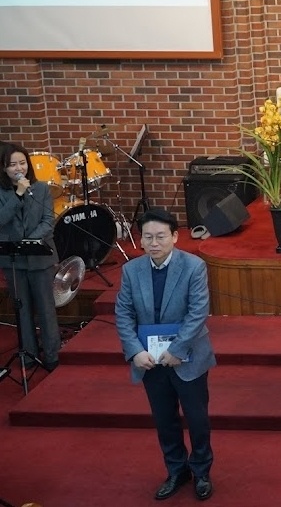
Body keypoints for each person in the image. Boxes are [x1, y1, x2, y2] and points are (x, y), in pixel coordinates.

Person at [114, 208, 216, 501]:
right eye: (148, 237)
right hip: (150, 359)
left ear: (174, 237)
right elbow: (123, 313)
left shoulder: (194, 266)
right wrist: (135, 351)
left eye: (160, 236)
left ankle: (201, 471)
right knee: (164, 420)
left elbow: (198, 312)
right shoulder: (131, 270)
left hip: (188, 356)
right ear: (141, 240)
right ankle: (176, 471)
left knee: (197, 419)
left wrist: (176, 349)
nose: (154, 243)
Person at [0, 142, 61, 372]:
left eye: (22, 163)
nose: (19, 168)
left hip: (40, 257)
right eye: (13, 164)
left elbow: (48, 221)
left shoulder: (42, 188)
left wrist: (30, 242)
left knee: (46, 307)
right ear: (4, 168)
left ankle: (52, 354)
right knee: (22, 308)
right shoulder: (3, 193)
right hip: (13, 260)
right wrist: (18, 194)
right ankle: (28, 354)